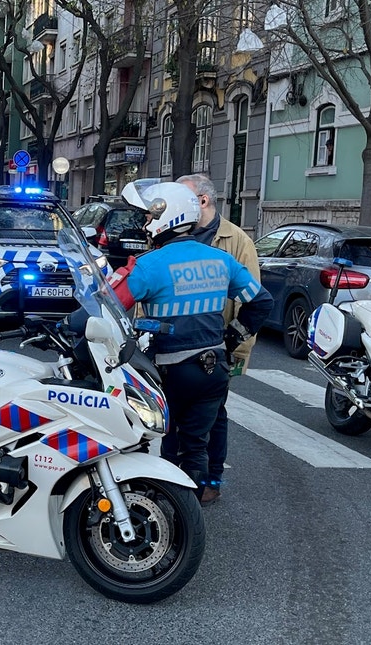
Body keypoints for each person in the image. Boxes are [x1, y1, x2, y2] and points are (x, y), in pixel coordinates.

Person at [108, 181, 273, 501]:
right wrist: (232, 335)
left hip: (170, 368)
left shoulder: (150, 264)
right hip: (213, 367)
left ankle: (168, 504)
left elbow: (109, 305)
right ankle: (197, 496)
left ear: (163, 217)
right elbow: (261, 301)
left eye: (147, 217)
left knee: (168, 436)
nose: (144, 225)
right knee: (197, 441)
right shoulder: (220, 260)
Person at [175, 173, 261, 505]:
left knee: (214, 415)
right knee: (172, 414)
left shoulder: (236, 241)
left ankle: (211, 479)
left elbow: (253, 300)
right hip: (173, 344)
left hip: (214, 348)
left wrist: (236, 348)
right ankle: (176, 476)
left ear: (203, 201)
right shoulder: (174, 233)